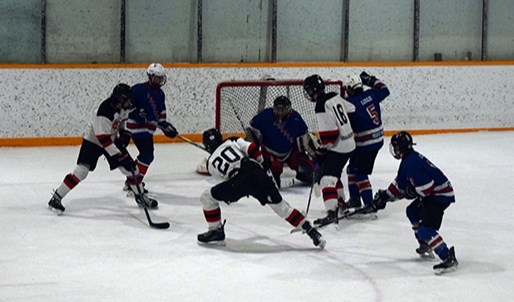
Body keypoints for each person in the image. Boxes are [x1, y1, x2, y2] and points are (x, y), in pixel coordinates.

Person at [196, 128, 326, 249]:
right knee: (283, 208)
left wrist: (233, 192)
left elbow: (226, 178)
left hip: (237, 183)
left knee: (207, 197)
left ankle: (215, 231)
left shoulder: (210, 163)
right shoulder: (233, 140)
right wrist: (262, 163)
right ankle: (311, 231)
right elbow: (252, 148)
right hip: (258, 175)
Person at [48, 84, 158, 214]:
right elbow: (105, 142)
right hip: (93, 140)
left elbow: (123, 121)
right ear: (120, 100)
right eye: (128, 100)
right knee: (81, 172)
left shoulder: (123, 106)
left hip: (110, 137)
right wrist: (121, 156)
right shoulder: (103, 113)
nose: (130, 102)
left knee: (132, 169)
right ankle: (56, 197)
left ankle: (140, 198)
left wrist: (124, 134)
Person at [371, 131, 458, 275]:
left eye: (396, 147)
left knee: (426, 230)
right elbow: (400, 183)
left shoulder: (410, 163)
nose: (394, 150)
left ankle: (447, 256)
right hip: (433, 194)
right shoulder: (408, 160)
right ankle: (425, 243)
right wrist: (384, 196)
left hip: (439, 196)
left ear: (400, 149)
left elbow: (426, 188)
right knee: (411, 211)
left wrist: (407, 193)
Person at [303, 74, 356, 226]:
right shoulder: (334, 95)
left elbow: (330, 137)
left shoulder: (320, 105)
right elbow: (352, 109)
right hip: (350, 143)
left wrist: (319, 153)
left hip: (339, 147)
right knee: (334, 174)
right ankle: (341, 203)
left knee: (326, 180)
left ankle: (332, 213)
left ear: (312, 91)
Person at [123, 63, 178, 193]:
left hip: (148, 130)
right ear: (150, 76)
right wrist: (136, 114)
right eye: (157, 77)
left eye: (161, 77)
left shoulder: (160, 93)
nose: (159, 80)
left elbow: (161, 112)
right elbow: (125, 105)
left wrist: (165, 125)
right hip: (136, 128)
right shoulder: (137, 89)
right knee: (147, 155)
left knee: (146, 155)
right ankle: (135, 183)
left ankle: (132, 180)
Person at [343, 72, 390, 209]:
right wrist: (371, 79)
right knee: (351, 169)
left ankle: (369, 203)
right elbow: (385, 89)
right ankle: (355, 199)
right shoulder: (372, 94)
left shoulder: (350, 103)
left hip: (365, 144)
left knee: (359, 173)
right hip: (375, 140)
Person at [246, 95, 317, 187]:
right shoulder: (265, 115)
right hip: (269, 153)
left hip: (290, 152)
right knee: (270, 180)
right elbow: (251, 132)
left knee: (308, 172)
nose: (280, 112)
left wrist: (315, 156)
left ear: (289, 110)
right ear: (274, 109)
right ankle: (273, 173)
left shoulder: (295, 118)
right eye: (278, 109)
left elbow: (305, 139)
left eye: (283, 109)